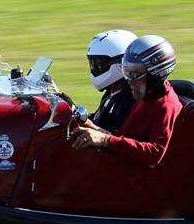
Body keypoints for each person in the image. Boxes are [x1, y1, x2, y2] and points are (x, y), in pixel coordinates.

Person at [71, 35, 182, 166]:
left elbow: (155, 153)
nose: (129, 80)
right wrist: (86, 123)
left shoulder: (166, 106)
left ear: (155, 74)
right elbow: (119, 138)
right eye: (127, 72)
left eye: (135, 74)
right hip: (120, 163)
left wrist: (105, 140)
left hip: (135, 176)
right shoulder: (144, 96)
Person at [86, 28, 137, 133]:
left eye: (99, 64)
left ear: (122, 63)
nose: (95, 69)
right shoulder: (112, 92)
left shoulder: (131, 99)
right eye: (93, 64)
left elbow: (115, 139)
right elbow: (97, 120)